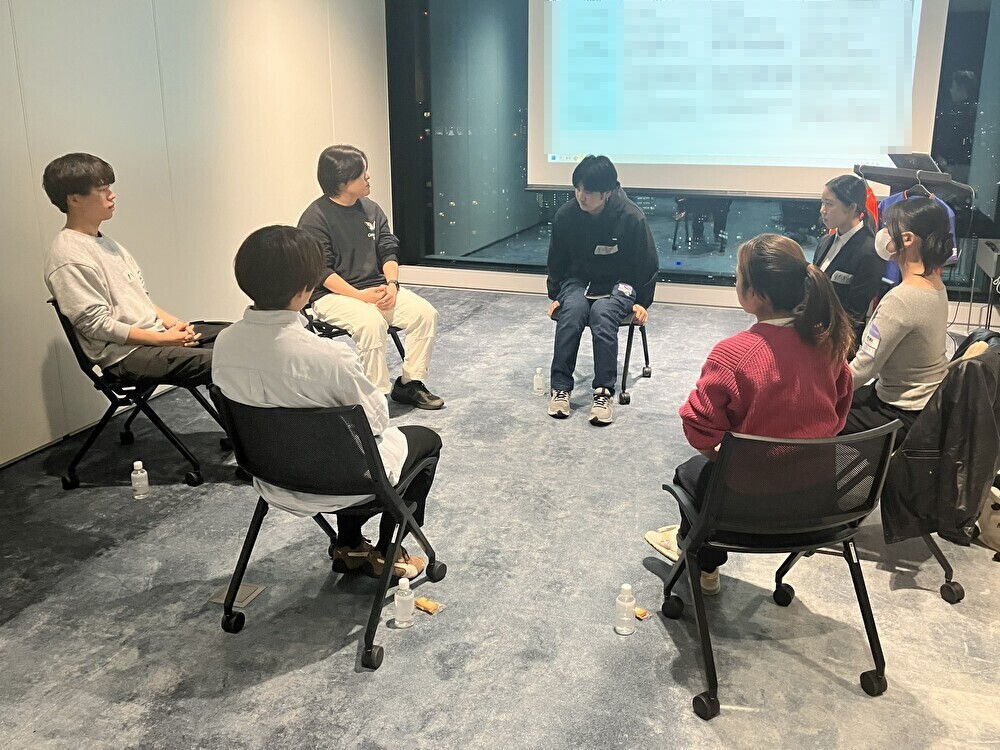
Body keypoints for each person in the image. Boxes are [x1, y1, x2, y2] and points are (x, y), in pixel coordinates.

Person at [212, 225, 443, 579]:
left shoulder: (224, 344)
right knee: (425, 441)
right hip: (341, 484)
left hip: (270, 476)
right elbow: (376, 421)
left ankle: (350, 546)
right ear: (306, 288)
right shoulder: (328, 357)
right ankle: (388, 551)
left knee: (334, 444)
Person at [645, 234, 853, 594]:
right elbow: (840, 411)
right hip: (817, 500)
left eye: (738, 276)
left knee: (690, 472)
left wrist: (723, 457)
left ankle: (704, 562)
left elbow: (698, 427)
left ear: (754, 295)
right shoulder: (829, 344)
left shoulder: (734, 354)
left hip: (748, 504)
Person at [42, 153, 225, 387]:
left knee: (239, 337)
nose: (112, 195)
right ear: (75, 199)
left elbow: (140, 299)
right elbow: (97, 325)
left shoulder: (107, 243)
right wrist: (163, 340)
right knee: (231, 361)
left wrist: (177, 326)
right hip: (127, 356)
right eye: (102, 189)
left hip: (153, 339)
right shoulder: (69, 255)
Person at [297, 145, 443, 410]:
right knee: (371, 323)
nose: (368, 177)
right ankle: (375, 397)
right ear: (343, 181)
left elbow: (388, 249)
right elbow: (321, 271)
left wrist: (392, 285)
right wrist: (360, 296)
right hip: (332, 295)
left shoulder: (371, 209)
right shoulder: (314, 218)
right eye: (362, 173)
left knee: (425, 314)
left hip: (375, 288)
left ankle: (409, 383)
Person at [545, 155, 658, 425]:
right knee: (572, 311)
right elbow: (556, 260)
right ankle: (560, 388)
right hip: (578, 279)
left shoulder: (631, 217)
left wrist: (642, 301)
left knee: (603, 313)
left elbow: (647, 263)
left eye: (589, 191)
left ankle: (603, 392)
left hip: (621, 281)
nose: (581, 196)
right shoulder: (566, 215)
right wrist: (556, 295)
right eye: (578, 189)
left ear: (606, 192)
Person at [843, 197, 951, 447]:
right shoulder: (935, 283)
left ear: (908, 239)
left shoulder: (902, 299)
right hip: (927, 403)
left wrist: (814, 392)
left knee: (818, 419)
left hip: (901, 411)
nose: (883, 234)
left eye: (888, 228)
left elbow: (863, 369)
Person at [814, 174, 881, 346]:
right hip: (813, 335)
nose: (822, 210)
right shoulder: (824, 242)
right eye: (822, 203)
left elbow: (854, 313)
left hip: (839, 343)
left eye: (829, 204)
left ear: (851, 207)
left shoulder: (869, 251)